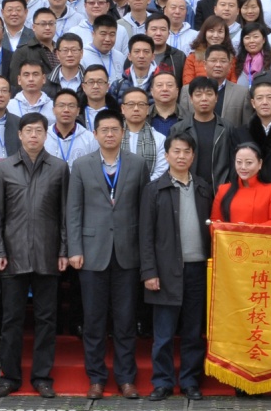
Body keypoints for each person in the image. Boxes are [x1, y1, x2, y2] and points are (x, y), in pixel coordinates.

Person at [68, 111, 151, 400]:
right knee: (94, 320)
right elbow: (73, 210)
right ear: (95, 134)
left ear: (122, 132)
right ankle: (96, 378)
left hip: (128, 252)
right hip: (92, 253)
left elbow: (144, 210)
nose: (110, 134)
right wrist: (74, 249)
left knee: (125, 320)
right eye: (104, 130)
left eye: (115, 129)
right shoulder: (81, 165)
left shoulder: (137, 164)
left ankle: (126, 379)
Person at [0, 113, 69, 398]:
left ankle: (42, 377)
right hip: (13, 254)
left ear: (46, 135)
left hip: (48, 253)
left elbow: (65, 214)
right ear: (20, 135)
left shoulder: (59, 168)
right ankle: (9, 377)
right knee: (11, 319)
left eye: (39, 131)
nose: (33, 135)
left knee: (47, 319)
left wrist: (63, 250)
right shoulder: (5, 167)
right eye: (29, 131)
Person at [141, 133, 213, 402]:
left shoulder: (203, 188)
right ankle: (162, 382)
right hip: (166, 270)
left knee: (193, 332)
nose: (181, 156)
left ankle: (190, 381)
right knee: (163, 333)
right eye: (176, 151)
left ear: (193, 156)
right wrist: (149, 272)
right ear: (167, 155)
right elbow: (145, 235)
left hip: (198, 270)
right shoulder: (154, 190)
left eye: (186, 152)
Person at [211, 142, 271, 226]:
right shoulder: (223, 190)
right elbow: (214, 223)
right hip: (231, 235)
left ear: (260, 164)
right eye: (239, 162)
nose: (243, 167)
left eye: (249, 162)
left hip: (259, 235)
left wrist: (249, 229)